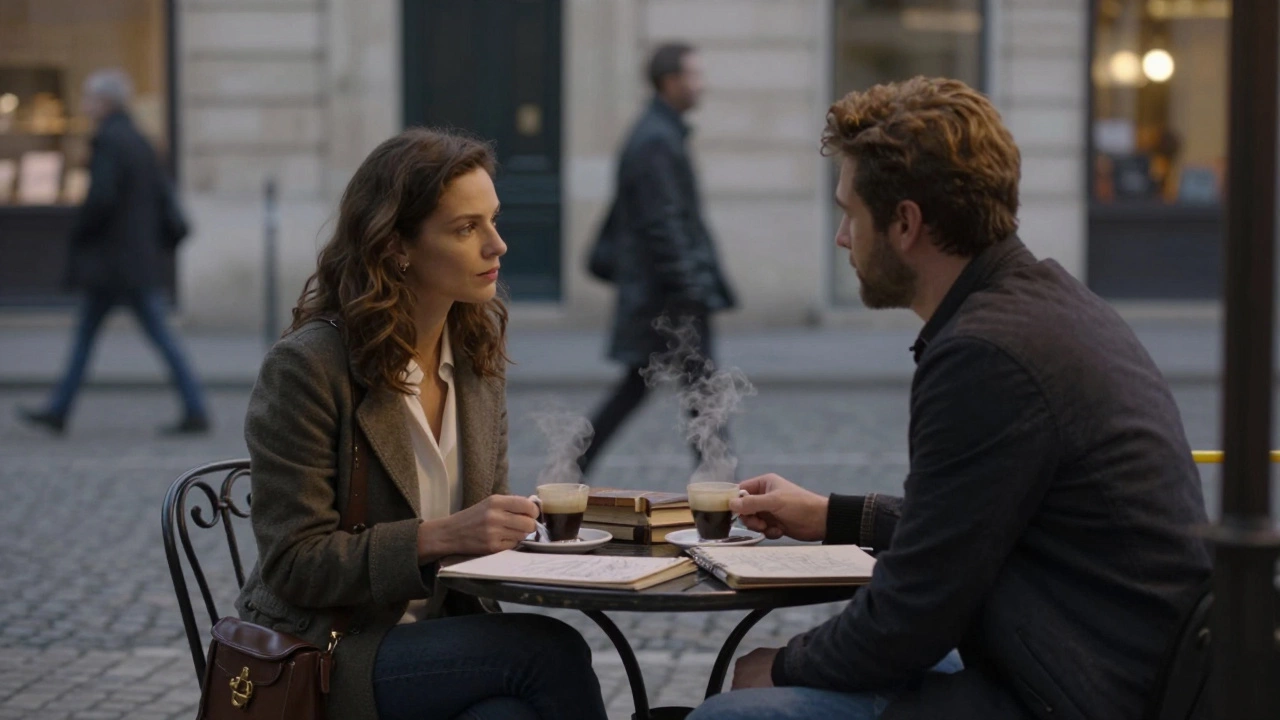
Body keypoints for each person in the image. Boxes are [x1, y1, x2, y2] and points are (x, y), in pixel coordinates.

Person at [690, 77, 1212, 720]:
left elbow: (913, 614)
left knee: (729, 715)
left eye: (850, 214)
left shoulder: (986, 354)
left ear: (905, 223)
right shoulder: (1043, 304)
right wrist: (835, 515)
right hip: (1091, 661)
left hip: (1077, 692)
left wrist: (783, 665)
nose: (842, 238)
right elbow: (972, 524)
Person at [235, 128, 608, 720]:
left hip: (441, 641)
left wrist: (552, 537)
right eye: (467, 229)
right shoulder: (310, 367)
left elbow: (482, 534)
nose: (498, 245)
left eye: (494, 220)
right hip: (334, 650)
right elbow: (293, 563)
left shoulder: (476, 362)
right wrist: (441, 536)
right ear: (396, 247)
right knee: (548, 650)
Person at [18, 68, 209, 435]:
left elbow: (101, 198)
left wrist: (81, 230)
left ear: (105, 102)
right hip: (134, 261)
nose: (86, 105)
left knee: (120, 337)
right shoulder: (139, 139)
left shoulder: (109, 139)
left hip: (113, 263)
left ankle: (194, 407)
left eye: (90, 98)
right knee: (101, 336)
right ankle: (60, 408)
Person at [579, 42, 737, 475]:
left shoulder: (660, 133)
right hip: (670, 298)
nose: (700, 85)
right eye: (694, 76)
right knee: (700, 394)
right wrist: (690, 289)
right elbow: (663, 225)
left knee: (676, 390)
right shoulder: (656, 140)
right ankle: (723, 489)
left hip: (665, 294)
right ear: (671, 81)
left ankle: (573, 464)